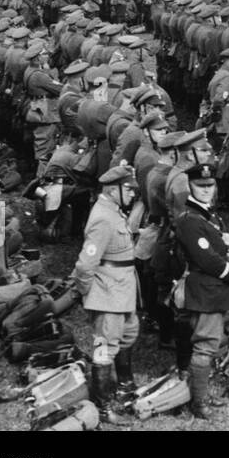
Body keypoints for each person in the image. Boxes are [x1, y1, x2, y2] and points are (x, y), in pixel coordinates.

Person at [58, 161, 141, 424]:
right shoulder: (104, 218)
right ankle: (103, 406)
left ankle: (124, 385)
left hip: (122, 290)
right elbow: (86, 263)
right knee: (104, 348)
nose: (132, 194)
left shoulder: (113, 210)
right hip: (108, 293)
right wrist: (85, 292)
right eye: (128, 190)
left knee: (128, 334)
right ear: (113, 189)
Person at [175, 166, 229, 418]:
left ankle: (202, 394)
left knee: (211, 342)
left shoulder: (207, 214)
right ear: (190, 187)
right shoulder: (190, 219)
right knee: (205, 345)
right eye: (200, 186)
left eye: (210, 185)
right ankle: (199, 403)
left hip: (213, 289)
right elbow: (207, 260)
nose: (206, 190)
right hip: (205, 290)